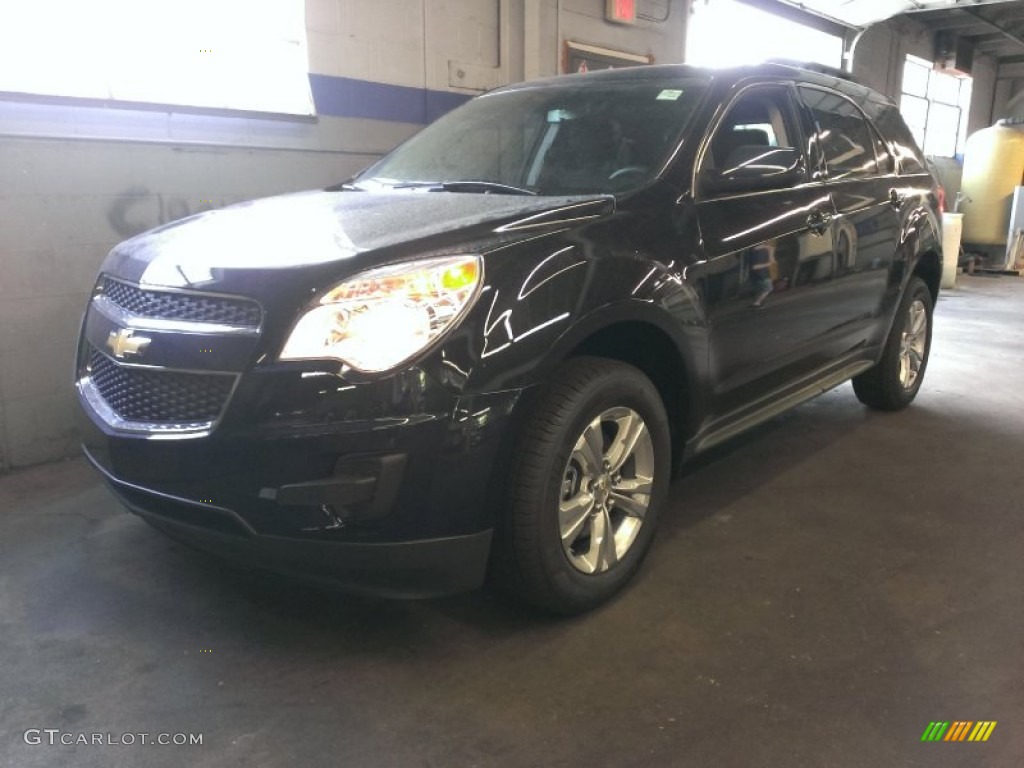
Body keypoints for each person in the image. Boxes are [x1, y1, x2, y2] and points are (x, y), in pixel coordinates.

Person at [748, 242, 775, 308]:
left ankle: (758, 302)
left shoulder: (764, 250)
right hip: (761, 274)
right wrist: (768, 264)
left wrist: (771, 251)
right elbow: (755, 267)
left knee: (762, 289)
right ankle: (757, 303)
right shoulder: (754, 252)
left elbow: (772, 261)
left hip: (762, 273)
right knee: (768, 288)